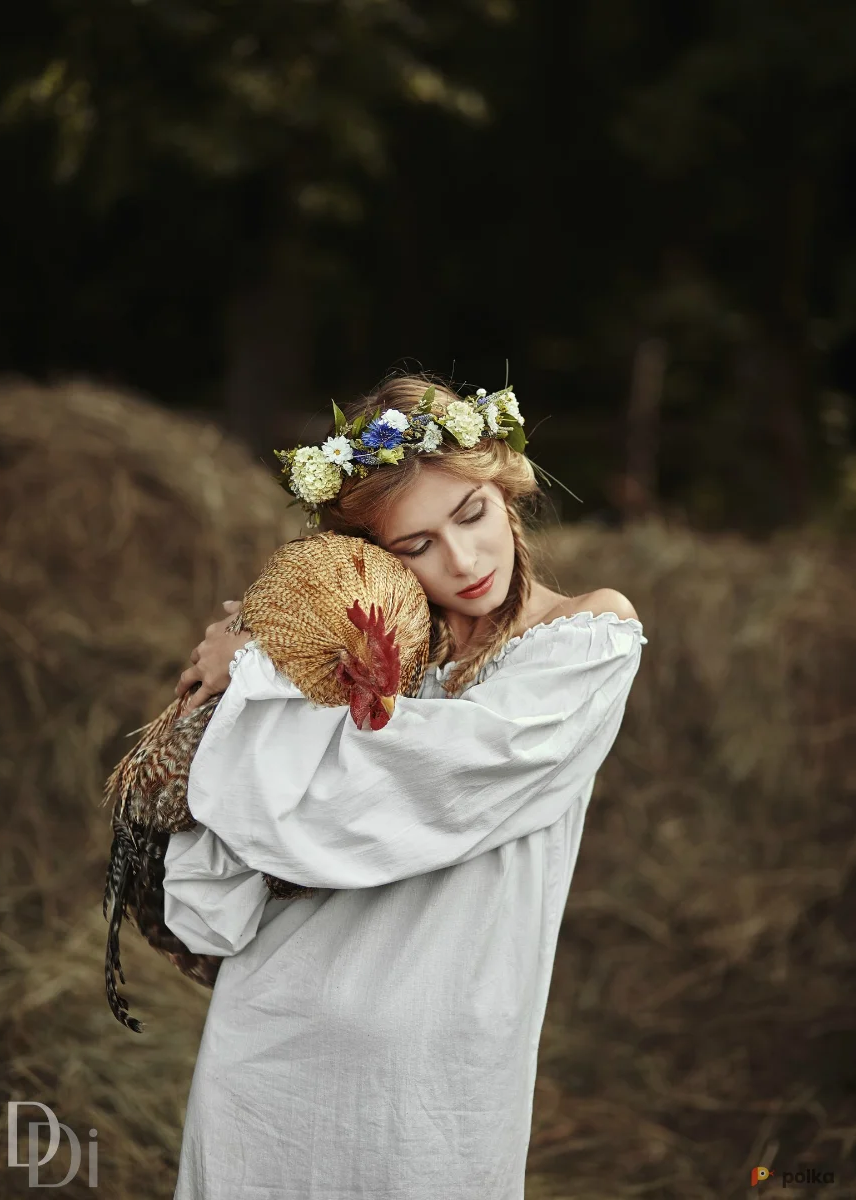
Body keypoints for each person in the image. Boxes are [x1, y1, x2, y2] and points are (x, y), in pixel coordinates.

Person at [163, 373, 648, 1199]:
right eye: (413, 546)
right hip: (276, 1033)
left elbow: (419, 775)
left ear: (506, 491)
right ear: (369, 557)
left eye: (470, 515)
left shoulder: (584, 641)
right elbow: (241, 844)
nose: (461, 562)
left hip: (432, 1068)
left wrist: (256, 669)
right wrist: (277, 655)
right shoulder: (347, 658)